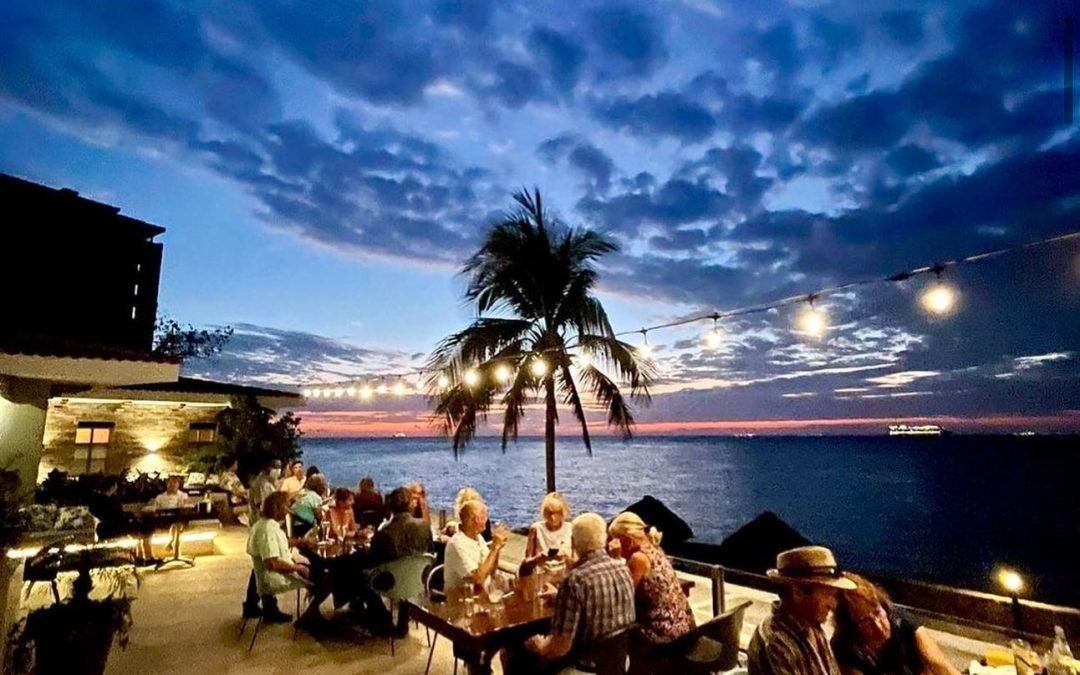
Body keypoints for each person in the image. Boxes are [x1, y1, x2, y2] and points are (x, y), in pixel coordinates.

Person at [513, 513, 637, 674]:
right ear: (604, 539)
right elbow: (598, 604)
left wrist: (539, 645)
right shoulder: (623, 568)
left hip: (584, 666)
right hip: (616, 663)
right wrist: (560, 597)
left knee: (519, 656)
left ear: (573, 543)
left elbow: (559, 648)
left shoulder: (574, 581)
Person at [748, 546, 857, 675]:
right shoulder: (776, 644)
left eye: (834, 596)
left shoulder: (812, 625)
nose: (833, 605)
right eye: (827, 594)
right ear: (798, 593)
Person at [608, 511, 694, 674]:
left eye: (615, 539)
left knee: (615, 633)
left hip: (662, 635)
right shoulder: (656, 550)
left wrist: (614, 560)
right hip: (682, 628)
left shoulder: (638, 559)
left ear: (626, 540)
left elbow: (624, 599)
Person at [832, 574, 960, 675]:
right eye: (866, 622)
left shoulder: (902, 621)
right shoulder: (844, 649)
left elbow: (940, 665)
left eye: (877, 613)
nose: (878, 626)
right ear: (851, 628)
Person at [246, 491, 317, 625]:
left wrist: (302, 542)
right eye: (286, 505)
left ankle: (313, 613)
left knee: (317, 571)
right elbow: (272, 564)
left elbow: (281, 542)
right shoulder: (267, 530)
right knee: (322, 578)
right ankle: (312, 617)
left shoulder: (263, 524)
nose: (289, 510)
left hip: (271, 574)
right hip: (275, 578)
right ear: (277, 507)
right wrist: (298, 567)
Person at [242, 457, 283, 618]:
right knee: (265, 568)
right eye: (277, 467)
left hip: (261, 528)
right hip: (263, 529)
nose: (279, 471)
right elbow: (264, 508)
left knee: (260, 569)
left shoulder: (264, 483)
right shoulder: (263, 485)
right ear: (269, 467)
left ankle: (253, 603)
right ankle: (268, 606)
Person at [88, 476, 155, 563]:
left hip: (103, 528)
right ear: (112, 487)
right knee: (146, 529)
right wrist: (131, 518)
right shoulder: (111, 501)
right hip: (116, 527)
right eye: (116, 485)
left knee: (139, 530)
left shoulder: (96, 500)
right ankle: (146, 557)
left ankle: (139, 556)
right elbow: (118, 516)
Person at [444, 499, 508, 590]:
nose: (487, 520)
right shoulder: (457, 544)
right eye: (483, 516)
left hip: (478, 595)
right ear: (474, 519)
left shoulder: (478, 538)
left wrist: (497, 549)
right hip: (459, 598)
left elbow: (490, 570)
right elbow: (478, 579)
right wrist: (494, 548)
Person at [369, 487, 433, 565]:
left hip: (392, 575)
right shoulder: (423, 526)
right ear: (410, 506)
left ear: (391, 507)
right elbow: (430, 553)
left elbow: (373, 562)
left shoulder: (381, 535)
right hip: (419, 574)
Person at [523, 492, 573, 568]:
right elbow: (526, 563)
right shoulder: (536, 529)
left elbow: (576, 561)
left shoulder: (570, 529)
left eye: (557, 513)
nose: (553, 517)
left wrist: (565, 557)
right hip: (542, 573)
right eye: (549, 513)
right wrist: (539, 557)